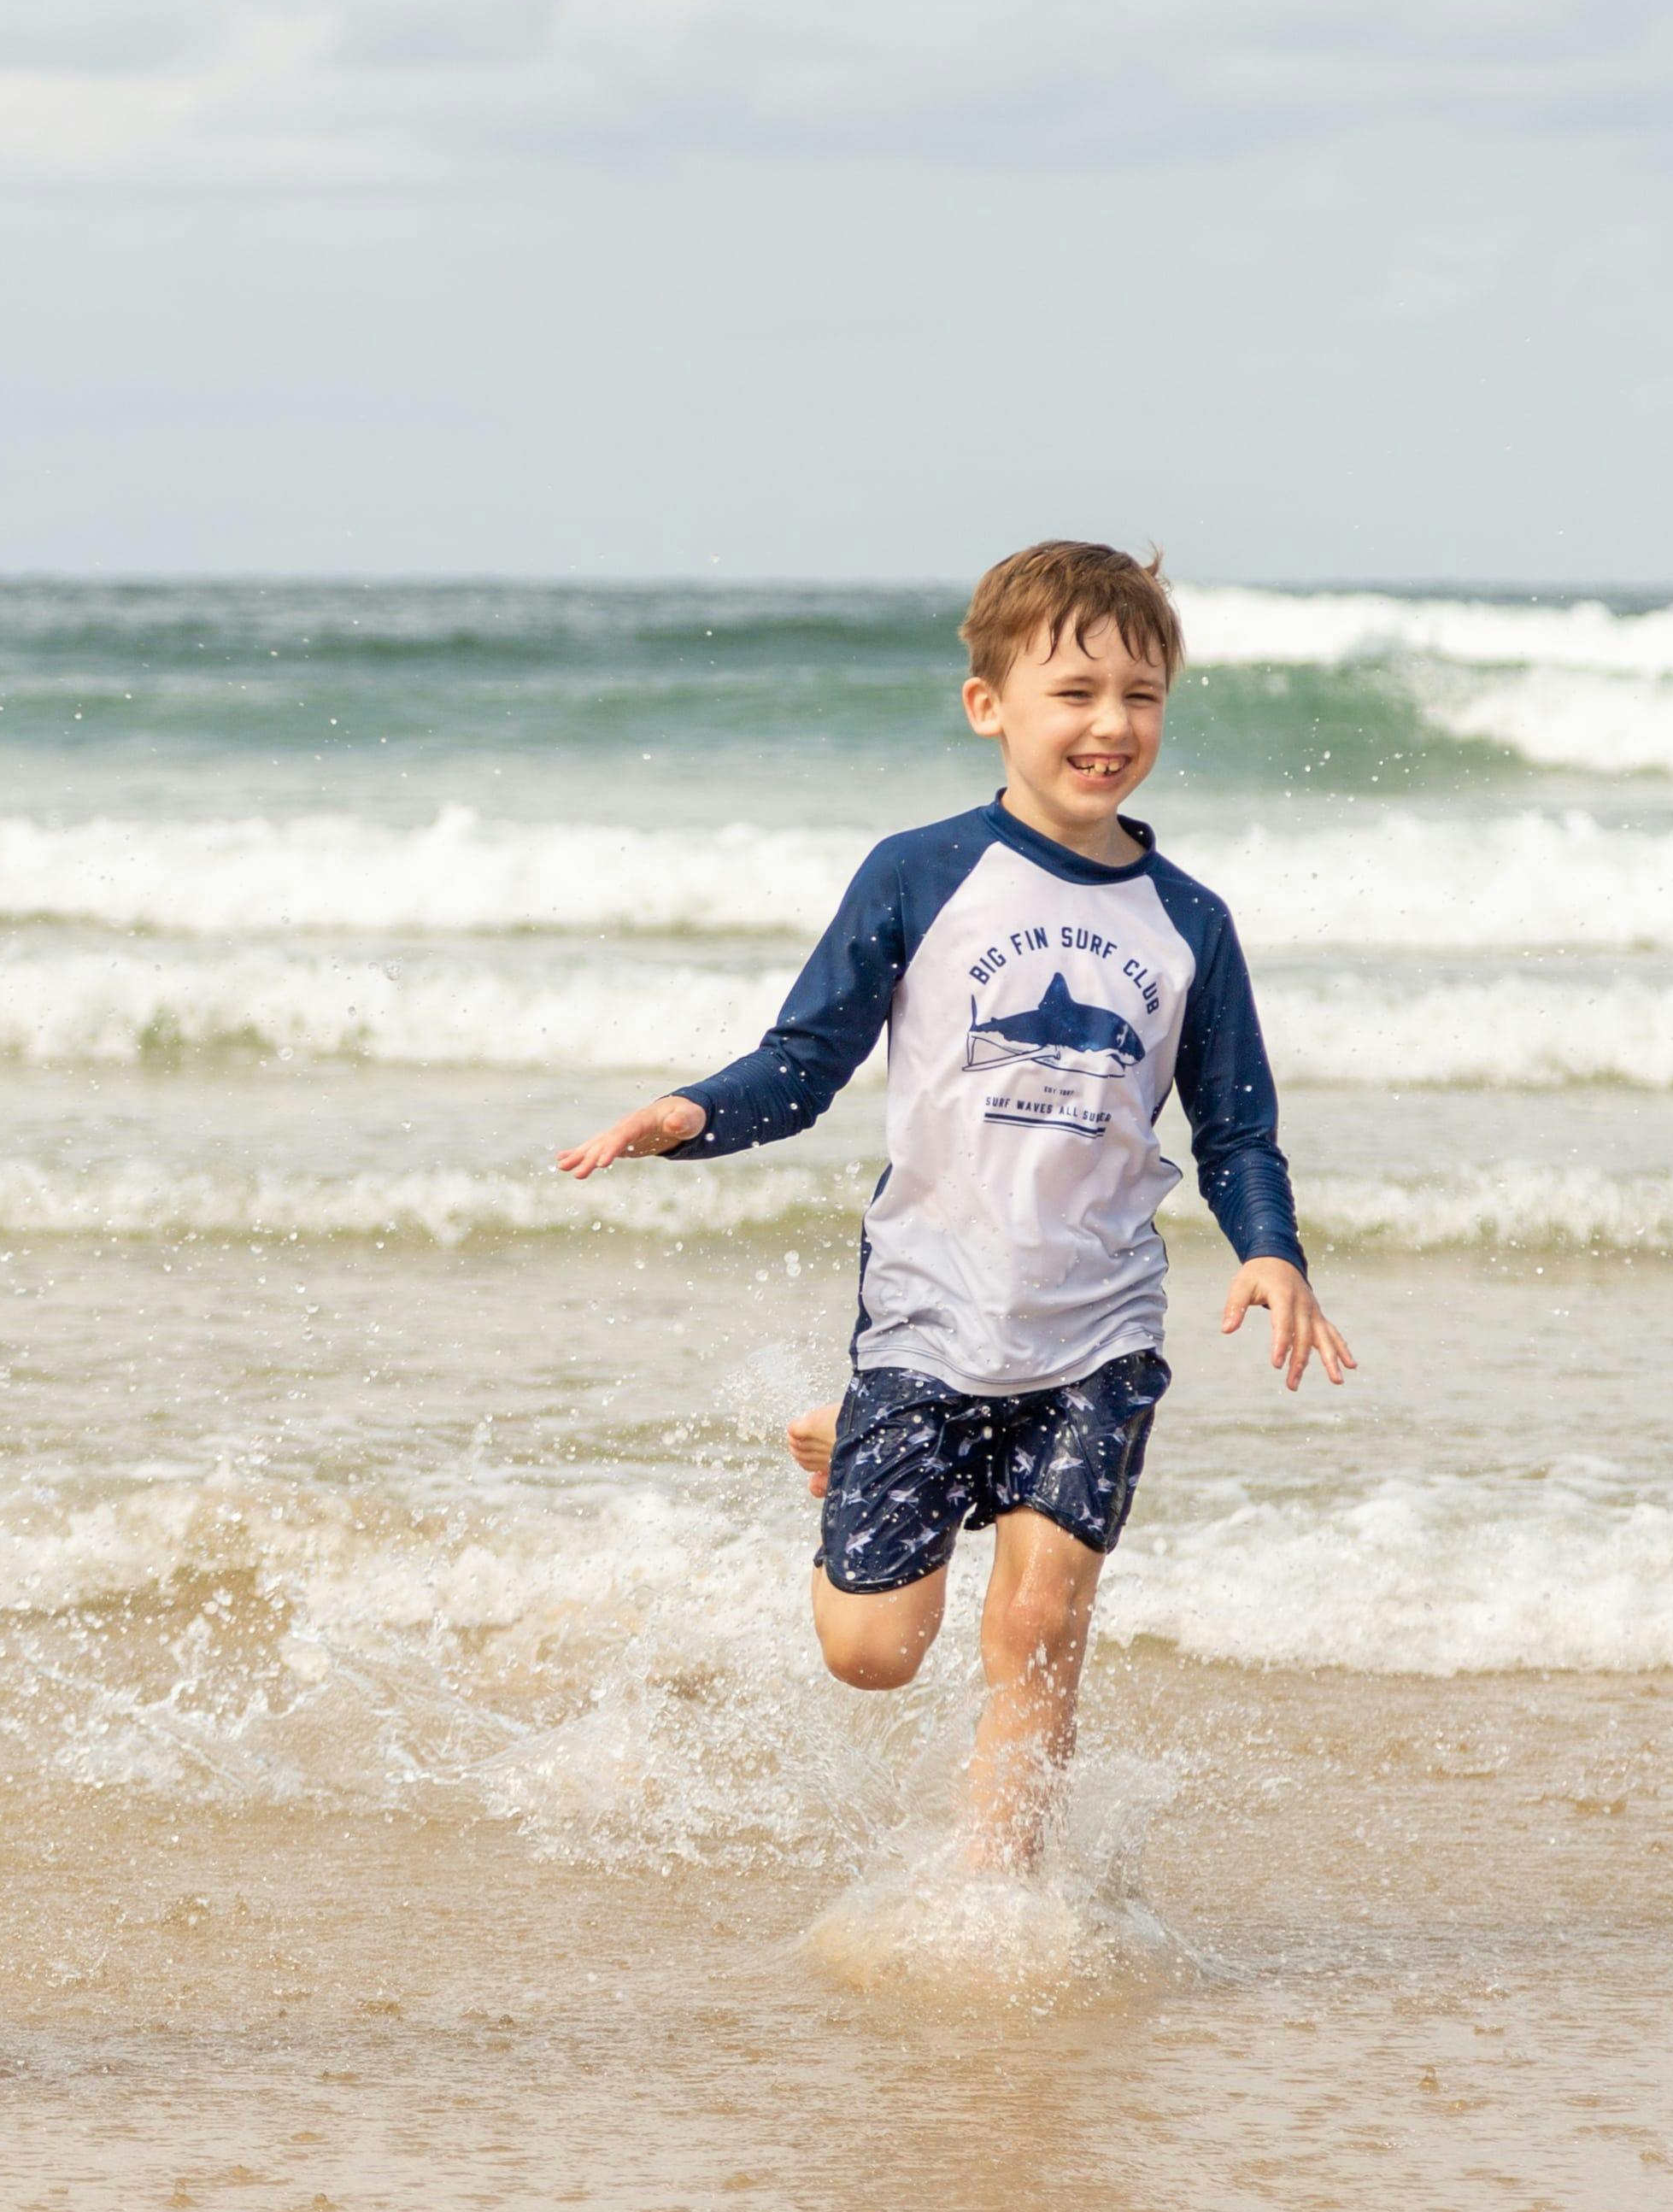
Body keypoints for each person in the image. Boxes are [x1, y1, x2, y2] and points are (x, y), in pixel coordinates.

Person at [553, 541, 1348, 1871]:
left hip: (1098, 1325)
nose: (1111, 724)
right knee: (874, 1651)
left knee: (1038, 1623)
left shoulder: (1188, 923)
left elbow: (1236, 1125)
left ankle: (999, 1896)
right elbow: (803, 1064)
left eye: (1141, 696)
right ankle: (853, 1430)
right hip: (931, 1310)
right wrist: (688, 1113)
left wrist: (1271, 1250)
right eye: (1075, 692)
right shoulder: (921, 875)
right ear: (990, 705)